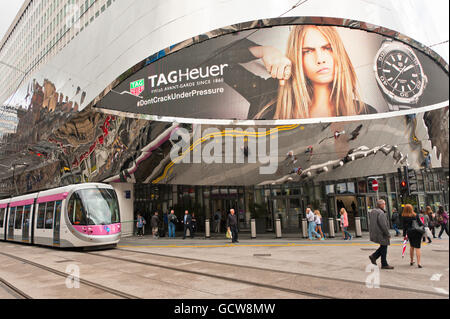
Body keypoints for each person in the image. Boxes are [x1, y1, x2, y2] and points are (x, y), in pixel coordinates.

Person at [246, 25, 374, 119]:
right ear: (296, 58)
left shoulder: (366, 113)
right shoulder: (268, 101)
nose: (320, 59)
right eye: (308, 51)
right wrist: (263, 51)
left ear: (339, 52)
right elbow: (226, 59)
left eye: (327, 48)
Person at [368, 199, 394, 269]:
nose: (384, 205)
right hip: (381, 233)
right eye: (384, 204)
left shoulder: (373, 211)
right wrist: (387, 234)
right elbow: (383, 225)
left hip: (375, 232)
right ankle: (383, 263)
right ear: (381, 205)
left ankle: (374, 257)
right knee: (384, 246)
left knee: (383, 246)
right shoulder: (381, 213)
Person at [402, 204, 425, 268]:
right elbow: (420, 224)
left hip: (410, 232)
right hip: (417, 232)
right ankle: (419, 263)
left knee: (412, 246)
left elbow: (404, 227)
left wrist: (404, 235)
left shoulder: (404, 217)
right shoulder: (415, 215)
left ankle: (411, 261)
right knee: (417, 247)